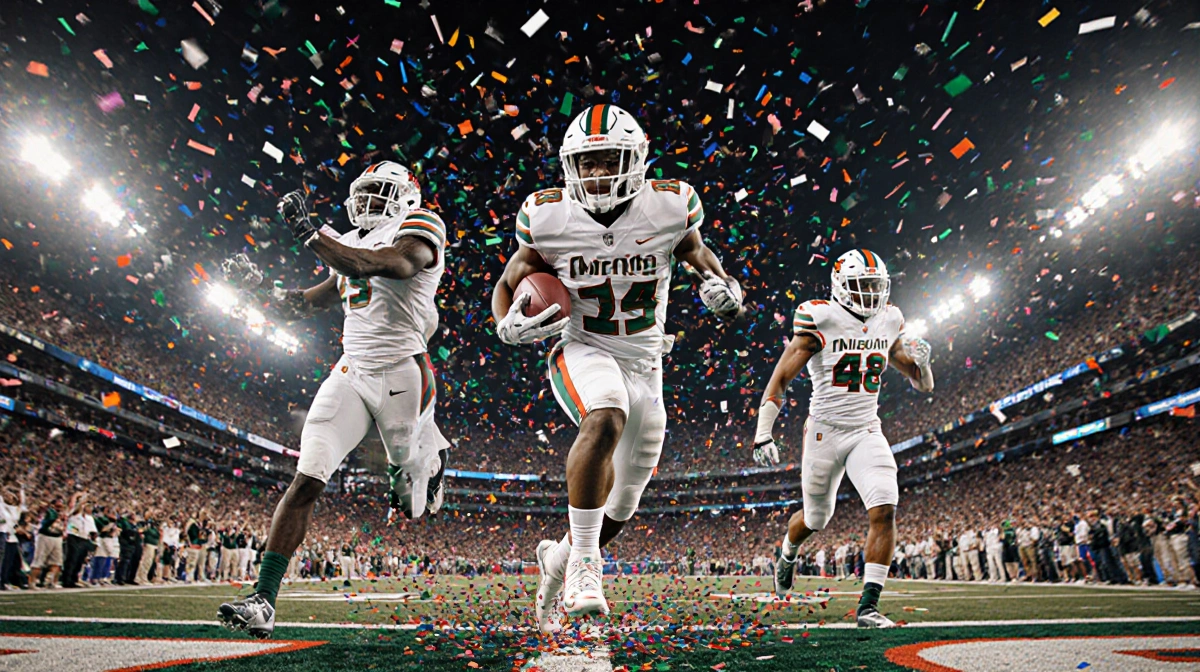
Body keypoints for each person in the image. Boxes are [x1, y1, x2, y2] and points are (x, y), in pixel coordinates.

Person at [492, 104, 742, 633]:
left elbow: (698, 254)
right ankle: (586, 564)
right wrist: (504, 322)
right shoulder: (548, 215)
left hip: (647, 361)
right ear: (570, 167)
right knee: (605, 415)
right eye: (587, 163)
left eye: (609, 160)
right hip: (582, 346)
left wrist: (721, 288)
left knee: (624, 502)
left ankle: (558, 562)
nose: (598, 173)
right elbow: (513, 277)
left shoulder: (670, 206)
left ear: (637, 159)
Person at [219, 161, 449, 639]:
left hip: (404, 373)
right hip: (351, 372)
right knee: (308, 476)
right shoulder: (347, 242)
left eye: (380, 192)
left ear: (406, 195)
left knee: (410, 502)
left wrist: (310, 231)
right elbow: (309, 301)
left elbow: (389, 264)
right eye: (363, 192)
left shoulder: (421, 225)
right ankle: (264, 599)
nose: (368, 202)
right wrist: (258, 288)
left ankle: (429, 458)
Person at [752, 249, 934, 628]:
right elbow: (781, 379)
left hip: (867, 428)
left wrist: (924, 364)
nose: (869, 292)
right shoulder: (822, 317)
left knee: (884, 507)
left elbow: (920, 383)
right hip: (824, 431)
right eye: (861, 284)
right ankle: (787, 552)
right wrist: (763, 433)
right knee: (817, 518)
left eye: (874, 284)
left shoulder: (889, 320)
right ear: (841, 287)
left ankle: (868, 606)